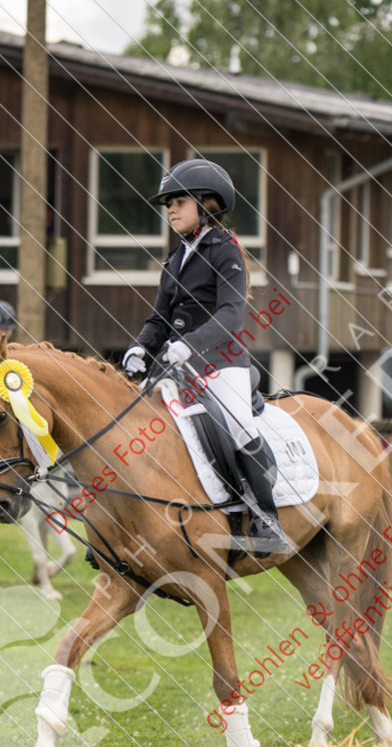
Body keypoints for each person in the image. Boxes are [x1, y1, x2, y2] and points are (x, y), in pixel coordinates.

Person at [121, 158, 287, 555]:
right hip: (176, 365)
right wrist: (139, 347)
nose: (171, 210)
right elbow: (159, 317)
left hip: (221, 363)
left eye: (178, 201)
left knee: (238, 426)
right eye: (168, 204)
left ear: (204, 203)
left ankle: (266, 519)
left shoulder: (224, 249)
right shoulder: (175, 258)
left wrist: (190, 344)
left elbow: (232, 313)